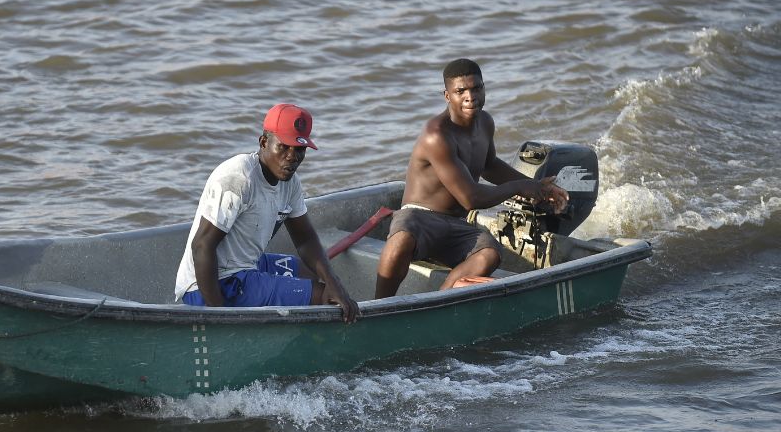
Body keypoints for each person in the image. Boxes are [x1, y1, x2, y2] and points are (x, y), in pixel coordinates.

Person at [375, 58, 569, 297]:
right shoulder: (436, 135)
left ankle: (438, 305)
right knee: (401, 239)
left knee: (489, 255)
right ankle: (378, 306)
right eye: (460, 91)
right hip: (419, 218)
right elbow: (471, 199)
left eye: (476, 88)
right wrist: (521, 186)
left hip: (457, 224)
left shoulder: (485, 122)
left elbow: (490, 166)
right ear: (448, 96)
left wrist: (537, 188)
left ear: (484, 88)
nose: (470, 96)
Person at [174, 103, 358, 323]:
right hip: (215, 283)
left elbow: (306, 240)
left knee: (314, 277)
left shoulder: (290, 183)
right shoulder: (239, 177)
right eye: (283, 147)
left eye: (299, 149)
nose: (292, 157)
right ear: (263, 142)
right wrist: (220, 317)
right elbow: (202, 246)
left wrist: (333, 281)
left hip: (248, 265)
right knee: (323, 298)